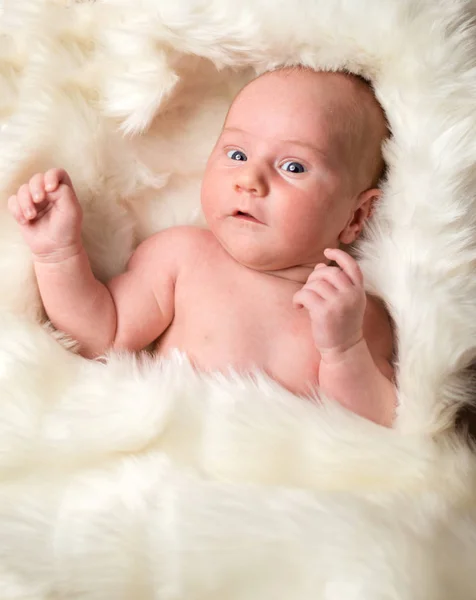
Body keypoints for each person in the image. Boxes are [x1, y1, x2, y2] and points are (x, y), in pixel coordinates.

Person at [8, 67, 396, 426]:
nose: (249, 179)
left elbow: (377, 427)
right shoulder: (182, 258)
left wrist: (344, 349)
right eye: (237, 154)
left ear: (357, 216)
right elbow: (99, 337)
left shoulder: (353, 314)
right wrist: (57, 253)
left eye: (293, 167)